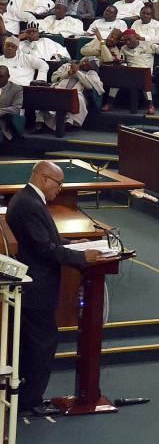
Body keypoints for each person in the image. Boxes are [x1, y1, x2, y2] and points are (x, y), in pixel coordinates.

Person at [6, 162, 103, 416]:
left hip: (31, 290)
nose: (59, 190)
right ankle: (30, 401)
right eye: (58, 184)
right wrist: (83, 258)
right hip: (35, 291)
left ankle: (25, 398)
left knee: (32, 343)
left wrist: (73, 243)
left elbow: (48, 237)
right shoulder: (29, 204)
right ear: (44, 178)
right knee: (41, 344)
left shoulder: (26, 199)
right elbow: (44, 248)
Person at [43, 58, 103, 131]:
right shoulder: (66, 66)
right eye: (84, 61)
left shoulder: (92, 73)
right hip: (59, 90)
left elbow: (92, 86)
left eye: (87, 65)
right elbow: (54, 78)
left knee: (78, 97)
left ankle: (67, 123)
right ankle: (39, 123)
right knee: (44, 94)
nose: (84, 64)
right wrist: (68, 73)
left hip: (76, 95)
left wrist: (77, 72)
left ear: (92, 68)